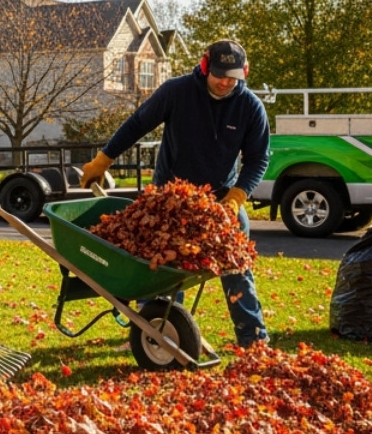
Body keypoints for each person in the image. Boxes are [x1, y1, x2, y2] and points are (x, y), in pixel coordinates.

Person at [79, 39, 272, 346]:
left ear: (244, 73)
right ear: (205, 66)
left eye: (233, 77)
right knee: (163, 272)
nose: (225, 82)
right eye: (220, 74)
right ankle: (153, 334)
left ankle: (253, 340)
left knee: (237, 267)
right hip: (169, 196)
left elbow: (258, 158)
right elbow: (137, 124)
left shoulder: (250, 107)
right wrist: (104, 159)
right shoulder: (176, 92)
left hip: (221, 199)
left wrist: (236, 197)